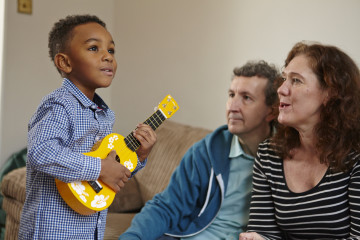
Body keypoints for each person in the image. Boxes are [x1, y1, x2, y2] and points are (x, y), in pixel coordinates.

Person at [18, 15, 157, 239]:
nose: (107, 57)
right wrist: (100, 167)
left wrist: (138, 157)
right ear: (65, 62)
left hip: (89, 229)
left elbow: (110, 173)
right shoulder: (59, 105)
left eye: (111, 51)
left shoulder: (104, 115)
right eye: (94, 48)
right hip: (53, 231)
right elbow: (41, 151)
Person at [120, 60, 280, 240]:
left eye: (246, 98)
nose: (232, 107)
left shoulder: (286, 158)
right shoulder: (207, 150)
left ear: (271, 112)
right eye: (231, 94)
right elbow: (167, 206)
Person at [239, 42, 360, 240]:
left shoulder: (355, 156)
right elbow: (263, 231)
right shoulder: (269, 154)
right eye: (284, 79)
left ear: (330, 93)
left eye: (296, 81)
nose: (281, 90)